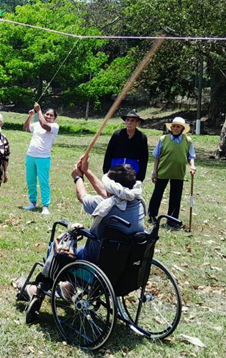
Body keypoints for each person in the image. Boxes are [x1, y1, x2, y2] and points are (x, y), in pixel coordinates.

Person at [17, 158, 146, 324]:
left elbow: (82, 196)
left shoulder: (106, 206)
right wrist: (87, 171)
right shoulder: (138, 203)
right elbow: (108, 192)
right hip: (125, 269)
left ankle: (39, 290)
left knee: (57, 249)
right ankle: (66, 288)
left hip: (95, 266)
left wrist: (77, 177)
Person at [148, 117, 196, 223]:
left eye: (178, 126)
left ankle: (172, 219)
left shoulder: (187, 140)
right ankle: (152, 215)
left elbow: (191, 156)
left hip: (178, 172)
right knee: (157, 194)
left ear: (182, 128)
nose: (175, 128)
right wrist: (154, 171)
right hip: (163, 171)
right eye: (173, 126)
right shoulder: (163, 139)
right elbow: (157, 157)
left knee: (176, 196)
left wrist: (192, 166)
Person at [22, 102, 59, 215]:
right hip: (30, 156)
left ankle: (45, 206)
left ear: (55, 118)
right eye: (47, 114)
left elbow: (44, 125)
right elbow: (26, 128)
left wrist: (39, 111)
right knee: (31, 181)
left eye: (51, 115)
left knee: (43, 182)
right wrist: (30, 116)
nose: (48, 116)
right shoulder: (37, 124)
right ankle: (32, 203)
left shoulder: (54, 127)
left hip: (43, 158)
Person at [103, 109, 149, 182]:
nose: (129, 123)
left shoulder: (142, 137)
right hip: (115, 168)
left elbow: (144, 158)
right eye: (127, 120)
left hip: (132, 170)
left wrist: (140, 177)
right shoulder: (117, 134)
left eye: (132, 120)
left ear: (138, 122)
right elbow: (108, 153)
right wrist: (106, 171)